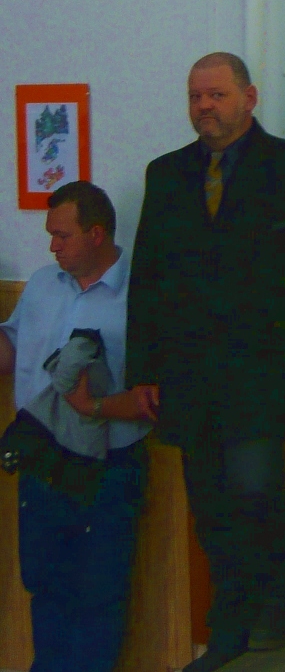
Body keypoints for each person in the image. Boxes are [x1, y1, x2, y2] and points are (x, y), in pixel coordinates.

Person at [126, 53, 285, 671]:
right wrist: (142, 372)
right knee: (211, 506)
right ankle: (230, 628)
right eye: (195, 96)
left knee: (257, 491)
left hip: (263, 373)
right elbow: (148, 279)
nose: (204, 107)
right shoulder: (167, 175)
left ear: (250, 97)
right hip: (188, 376)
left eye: (216, 94)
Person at [0, 181, 155, 672]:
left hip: (109, 465)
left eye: (61, 235)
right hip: (40, 457)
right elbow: (10, 352)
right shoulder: (42, 284)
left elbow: (160, 396)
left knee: (99, 594)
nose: (52, 246)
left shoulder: (144, 293)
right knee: (44, 584)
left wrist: (94, 406)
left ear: (96, 234)